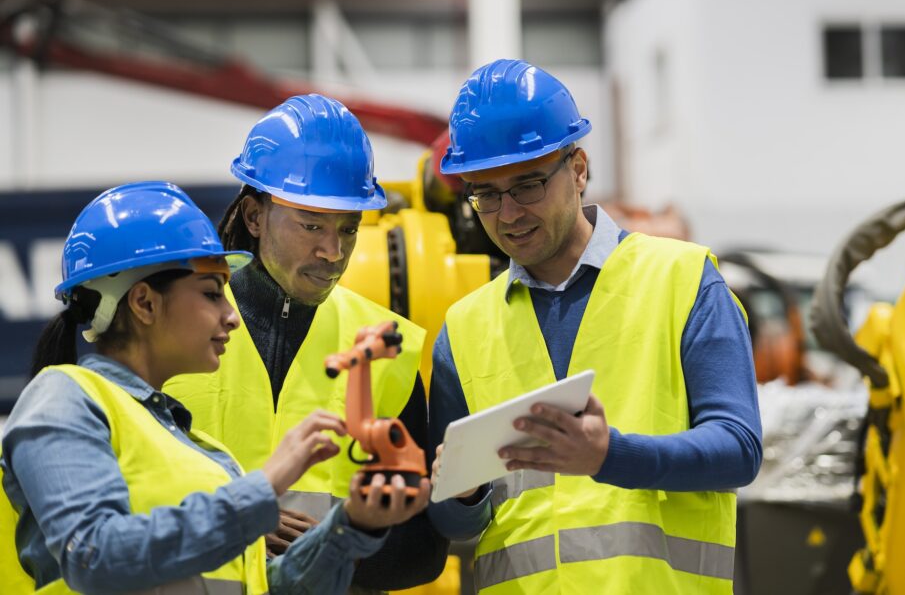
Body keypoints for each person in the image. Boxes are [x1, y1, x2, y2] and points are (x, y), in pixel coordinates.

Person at [427, 59, 763, 594]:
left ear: (579, 169)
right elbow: (453, 523)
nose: (508, 214)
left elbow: (739, 448)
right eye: (486, 194)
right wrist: (463, 496)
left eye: (527, 185)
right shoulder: (463, 329)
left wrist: (611, 457)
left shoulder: (683, 280)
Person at [0, 181, 427, 594]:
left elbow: (265, 586)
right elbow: (94, 556)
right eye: (211, 293)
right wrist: (263, 489)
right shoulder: (63, 400)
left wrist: (351, 526)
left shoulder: (202, 450)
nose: (232, 315)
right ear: (145, 303)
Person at [164, 94, 446, 591]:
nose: (332, 252)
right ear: (254, 216)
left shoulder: (388, 350)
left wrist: (338, 542)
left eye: (348, 229)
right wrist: (239, 526)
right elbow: (119, 511)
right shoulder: (172, 335)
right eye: (311, 225)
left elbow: (424, 550)